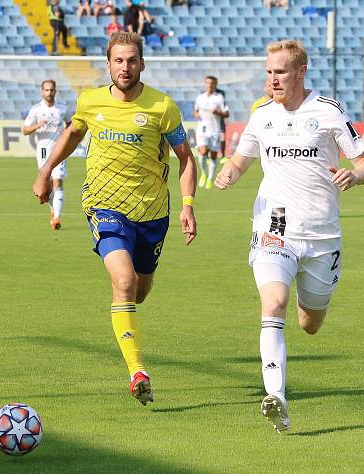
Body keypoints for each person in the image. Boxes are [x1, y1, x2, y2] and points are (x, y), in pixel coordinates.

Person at [214, 39, 364, 433]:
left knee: (310, 322)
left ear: (301, 72)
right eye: (269, 72)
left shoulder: (328, 112)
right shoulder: (261, 115)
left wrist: (353, 175)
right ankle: (277, 397)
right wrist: (229, 173)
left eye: (280, 72)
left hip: (322, 234)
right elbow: (241, 159)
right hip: (274, 226)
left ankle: (312, 309)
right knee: (274, 304)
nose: (273, 79)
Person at [33, 32, 197, 406]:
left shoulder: (162, 106)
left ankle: (128, 319)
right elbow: (73, 134)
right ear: (108, 64)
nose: (125, 67)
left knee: (138, 289)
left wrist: (188, 204)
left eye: (132, 60)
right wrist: (45, 171)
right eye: (118, 61)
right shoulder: (90, 101)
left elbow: (186, 157)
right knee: (123, 281)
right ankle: (137, 371)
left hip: (153, 212)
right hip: (105, 205)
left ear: (142, 63)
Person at [23, 80, 69, 230]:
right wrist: (38, 125)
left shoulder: (62, 108)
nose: (49, 93)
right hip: (43, 150)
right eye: (46, 90)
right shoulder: (36, 110)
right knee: (47, 187)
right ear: (42, 92)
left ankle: (56, 217)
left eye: (52, 90)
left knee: (58, 182)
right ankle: (53, 210)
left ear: (55, 91)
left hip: (59, 150)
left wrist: (66, 132)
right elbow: (25, 130)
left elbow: (70, 124)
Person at [193, 75, 228, 189]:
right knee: (203, 152)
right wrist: (197, 114)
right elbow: (196, 111)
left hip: (215, 130)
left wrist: (218, 112)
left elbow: (227, 113)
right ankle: (203, 172)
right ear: (205, 83)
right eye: (208, 83)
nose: (210, 85)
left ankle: (210, 178)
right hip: (202, 128)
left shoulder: (219, 98)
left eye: (212, 83)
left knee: (213, 155)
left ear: (215, 85)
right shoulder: (200, 97)